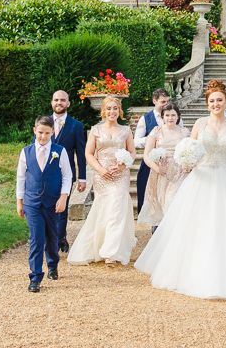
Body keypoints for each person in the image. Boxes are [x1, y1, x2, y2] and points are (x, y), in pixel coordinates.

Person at [134, 80, 226, 299]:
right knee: (198, 225)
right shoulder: (199, 124)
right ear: (207, 103)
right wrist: (186, 162)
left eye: (219, 100)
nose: (215, 104)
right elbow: (189, 149)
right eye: (212, 101)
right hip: (201, 178)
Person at [68, 96, 137, 266]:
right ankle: (98, 246)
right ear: (103, 111)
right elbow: (88, 153)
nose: (112, 111)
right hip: (102, 176)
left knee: (117, 208)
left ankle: (110, 252)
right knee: (104, 209)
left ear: (119, 110)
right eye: (109, 108)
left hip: (120, 175)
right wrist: (100, 170)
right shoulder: (96, 130)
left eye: (115, 108)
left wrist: (123, 165)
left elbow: (132, 152)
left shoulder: (126, 130)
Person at [15, 115, 72, 292]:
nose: (43, 136)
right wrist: (19, 201)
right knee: (36, 238)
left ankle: (52, 265)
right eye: (40, 132)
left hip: (53, 202)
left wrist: (63, 197)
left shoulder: (59, 151)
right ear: (34, 130)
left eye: (47, 133)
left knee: (52, 237)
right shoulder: (26, 152)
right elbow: (21, 178)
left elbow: (67, 175)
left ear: (52, 132)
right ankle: (35, 277)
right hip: (32, 202)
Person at [137, 102, 190, 229]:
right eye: (167, 115)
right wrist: (157, 168)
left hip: (179, 172)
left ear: (178, 116)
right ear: (163, 117)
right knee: (162, 203)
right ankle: (161, 232)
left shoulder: (185, 132)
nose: (170, 118)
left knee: (172, 200)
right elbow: (146, 155)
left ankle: (173, 231)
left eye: (173, 115)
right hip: (160, 173)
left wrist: (188, 164)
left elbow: (189, 152)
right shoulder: (156, 131)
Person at [48, 89, 87, 253]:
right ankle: (53, 237)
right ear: (52, 102)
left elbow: (81, 153)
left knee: (62, 206)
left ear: (68, 103)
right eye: (56, 100)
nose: (59, 102)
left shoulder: (76, 125)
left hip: (66, 174)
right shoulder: (44, 123)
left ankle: (58, 239)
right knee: (47, 206)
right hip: (45, 174)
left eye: (62, 100)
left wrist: (82, 178)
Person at [133, 88, 171, 214]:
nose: (166, 104)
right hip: (150, 162)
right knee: (146, 190)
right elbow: (136, 141)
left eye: (167, 101)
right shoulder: (145, 119)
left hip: (169, 161)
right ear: (154, 101)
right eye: (163, 102)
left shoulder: (174, 116)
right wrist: (151, 140)